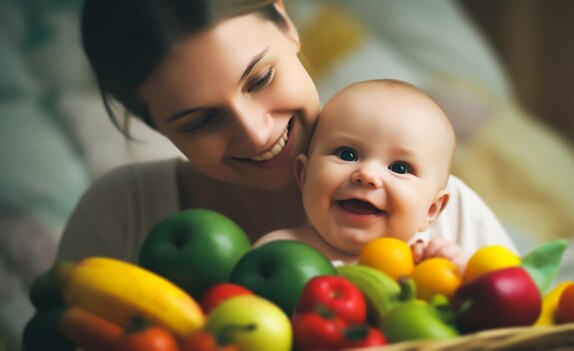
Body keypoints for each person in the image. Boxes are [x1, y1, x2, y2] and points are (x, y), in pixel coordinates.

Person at [56, 0, 517, 263]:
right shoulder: (120, 214)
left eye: (260, 79)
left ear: (287, 22)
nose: (257, 134)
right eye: (200, 120)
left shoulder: (445, 218)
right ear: (153, 123)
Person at [256, 79, 514, 268]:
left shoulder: (436, 256)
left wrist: (461, 275)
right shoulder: (279, 254)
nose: (366, 174)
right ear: (304, 176)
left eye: (399, 168)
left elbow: (514, 295)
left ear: (432, 210)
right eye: (347, 154)